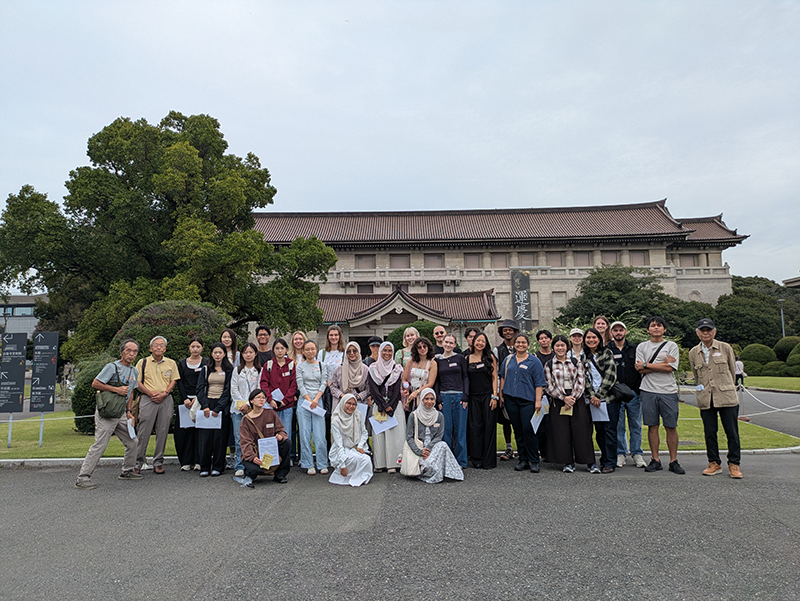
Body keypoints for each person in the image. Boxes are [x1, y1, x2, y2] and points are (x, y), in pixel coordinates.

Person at [75, 340, 143, 489]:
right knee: (100, 445)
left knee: (133, 441)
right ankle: (83, 477)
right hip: (107, 413)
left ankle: (128, 471)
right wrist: (116, 389)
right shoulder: (112, 367)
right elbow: (96, 383)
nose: (132, 354)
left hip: (121, 413)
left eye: (135, 352)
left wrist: (129, 411)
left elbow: (131, 392)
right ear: (122, 352)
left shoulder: (134, 371)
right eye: (128, 351)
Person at [689, 318, 742, 478]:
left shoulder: (725, 348)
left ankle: (734, 464)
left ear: (714, 332)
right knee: (710, 432)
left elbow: (732, 372)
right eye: (702, 330)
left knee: (731, 432)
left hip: (726, 395)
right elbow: (696, 375)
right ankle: (713, 462)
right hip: (706, 397)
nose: (705, 333)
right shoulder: (693, 352)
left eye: (708, 330)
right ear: (698, 333)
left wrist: (726, 386)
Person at [636, 317, 685, 475]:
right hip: (648, 390)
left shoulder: (671, 345)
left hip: (668, 391)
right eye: (653, 326)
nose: (656, 328)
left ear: (664, 329)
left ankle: (673, 460)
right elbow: (639, 369)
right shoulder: (642, 346)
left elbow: (671, 368)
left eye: (659, 326)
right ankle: (655, 459)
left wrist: (647, 364)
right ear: (648, 330)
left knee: (671, 426)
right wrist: (661, 364)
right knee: (652, 426)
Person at [544, 335, 594, 473]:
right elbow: (549, 385)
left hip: (576, 399)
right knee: (562, 432)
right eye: (557, 345)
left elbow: (581, 380)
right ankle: (567, 462)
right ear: (553, 347)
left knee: (581, 431)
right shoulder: (549, 364)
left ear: (567, 347)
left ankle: (589, 462)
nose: (560, 348)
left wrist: (572, 397)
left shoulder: (575, 361)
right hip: (559, 401)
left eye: (563, 345)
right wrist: (563, 398)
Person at [499, 333, 546, 473]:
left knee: (528, 429)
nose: (520, 345)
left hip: (528, 401)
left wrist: (538, 401)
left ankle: (533, 460)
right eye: (518, 342)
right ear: (514, 344)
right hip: (510, 399)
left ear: (528, 344)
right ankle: (522, 459)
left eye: (523, 342)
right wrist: (501, 393)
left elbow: (539, 383)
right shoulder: (508, 360)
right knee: (518, 430)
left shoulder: (534, 361)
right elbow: (503, 376)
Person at [134, 336, 179, 475]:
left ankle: (158, 462)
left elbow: (173, 380)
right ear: (150, 348)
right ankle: (138, 462)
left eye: (161, 345)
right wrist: (150, 393)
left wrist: (165, 393)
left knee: (163, 431)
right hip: (148, 398)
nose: (158, 347)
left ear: (165, 348)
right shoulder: (143, 362)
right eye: (155, 345)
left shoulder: (171, 363)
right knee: (143, 431)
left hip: (165, 399)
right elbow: (137, 382)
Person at [404, 388, 464, 484]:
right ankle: (428, 469)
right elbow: (409, 437)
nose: (429, 401)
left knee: (443, 445)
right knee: (428, 464)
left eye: (432, 399)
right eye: (426, 398)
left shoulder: (439, 416)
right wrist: (420, 452)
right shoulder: (413, 415)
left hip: (432, 449)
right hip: (418, 449)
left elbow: (439, 436)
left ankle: (448, 472)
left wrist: (428, 450)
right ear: (422, 399)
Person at [608, 321, 646, 468]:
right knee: (619, 426)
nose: (618, 333)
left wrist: (637, 389)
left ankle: (637, 454)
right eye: (615, 330)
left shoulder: (635, 349)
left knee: (635, 424)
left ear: (625, 332)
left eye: (621, 330)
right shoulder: (607, 350)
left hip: (633, 393)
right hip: (615, 394)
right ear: (611, 333)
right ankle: (621, 453)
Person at [236, 389, 291, 487]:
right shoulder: (246, 420)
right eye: (258, 397)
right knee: (254, 470)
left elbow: (281, 430)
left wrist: (280, 436)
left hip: (271, 451)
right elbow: (245, 442)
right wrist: (253, 457)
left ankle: (280, 475)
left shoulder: (271, 413)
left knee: (287, 442)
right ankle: (249, 473)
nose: (261, 400)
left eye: (263, 398)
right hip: (255, 453)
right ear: (251, 401)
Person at [582, 327, 619, 474]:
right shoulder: (583, 356)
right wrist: (592, 396)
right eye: (588, 338)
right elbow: (584, 378)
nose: (591, 340)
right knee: (599, 431)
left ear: (599, 339)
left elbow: (610, 375)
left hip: (608, 399)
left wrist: (599, 395)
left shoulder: (607, 353)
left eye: (594, 337)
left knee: (610, 431)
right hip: (593, 402)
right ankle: (603, 459)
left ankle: (610, 461)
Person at [195, 343, 234, 476]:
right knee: (205, 438)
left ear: (224, 354)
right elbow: (200, 388)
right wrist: (205, 406)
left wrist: (218, 408)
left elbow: (228, 390)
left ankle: (218, 466)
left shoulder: (229, 370)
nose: (217, 355)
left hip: (222, 406)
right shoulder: (206, 369)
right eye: (215, 352)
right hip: (207, 404)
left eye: (220, 352)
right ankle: (204, 467)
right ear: (211, 354)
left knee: (220, 438)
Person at [367, 341, 405, 473]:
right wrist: (383, 406)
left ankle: (393, 464)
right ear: (380, 351)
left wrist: (391, 407)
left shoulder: (397, 368)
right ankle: (380, 463)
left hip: (394, 406)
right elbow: (373, 389)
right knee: (380, 435)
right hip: (379, 406)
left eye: (390, 351)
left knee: (394, 435)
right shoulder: (373, 368)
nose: (387, 353)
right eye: (385, 350)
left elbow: (397, 390)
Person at [434, 334, 469, 468]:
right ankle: (447, 461)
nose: (448, 345)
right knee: (446, 431)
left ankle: (461, 462)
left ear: (455, 345)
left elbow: (465, 377)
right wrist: (438, 398)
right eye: (446, 342)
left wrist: (466, 395)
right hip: (444, 397)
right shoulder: (438, 360)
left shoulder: (459, 358)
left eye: (451, 343)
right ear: (442, 343)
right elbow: (436, 380)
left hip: (459, 396)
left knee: (460, 431)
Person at [260, 338, 298, 463]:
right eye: (277, 348)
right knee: (270, 434)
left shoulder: (291, 365)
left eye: (282, 348)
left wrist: (284, 401)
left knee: (285, 435)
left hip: (286, 406)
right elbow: (264, 383)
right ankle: (272, 461)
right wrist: (270, 400)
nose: (280, 351)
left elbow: (293, 386)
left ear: (286, 349)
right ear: (273, 350)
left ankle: (286, 460)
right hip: (271, 406)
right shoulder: (268, 365)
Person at [296, 340, 330, 475]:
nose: (310, 352)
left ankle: (322, 463)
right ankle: (308, 463)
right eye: (307, 349)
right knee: (304, 435)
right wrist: (309, 399)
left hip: (318, 402)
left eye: (312, 349)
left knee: (320, 435)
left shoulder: (322, 365)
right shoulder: (300, 367)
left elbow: (323, 383)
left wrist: (316, 399)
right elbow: (300, 384)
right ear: (303, 351)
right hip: (303, 402)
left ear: (316, 350)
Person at [466, 332, 498, 469]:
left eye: (483, 341)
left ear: (486, 344)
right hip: (473, 398)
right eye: (478, 340)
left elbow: (495, 377)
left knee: (489, 426)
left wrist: (494, 396)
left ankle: (489, 460)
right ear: (473, 342)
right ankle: (476, 458)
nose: (480, 343)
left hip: (488, 397)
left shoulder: (490, 357)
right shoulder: (467, 358)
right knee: (475, 428)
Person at [176, 337, 208, 472]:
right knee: (185, 432)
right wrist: (185, 398)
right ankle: (186, 461)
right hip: (185, 403)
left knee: (199, 432)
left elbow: (207, 381)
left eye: (198, 346)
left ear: (202, 348)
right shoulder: (182, 363)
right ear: (189, 347)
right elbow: (179, 382)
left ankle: (199, 461)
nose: (195, 349)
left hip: (200, 401)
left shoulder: (206, 362)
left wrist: (197, 397)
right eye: (193, 346)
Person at [230, 342, 261, 478]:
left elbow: (259, 389)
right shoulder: (236, 370)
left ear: (255, 354)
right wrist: (242, 405)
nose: (248, 354)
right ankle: (239, 465)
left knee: (254, 439)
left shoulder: (259, 370)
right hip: (238, 410)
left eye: (251, 352)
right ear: (242, 354)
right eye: (245, 352)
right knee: (239, 438)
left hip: (253, 409)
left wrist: (249, 404)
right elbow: (233, 389)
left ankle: (253, 464)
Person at [328, 393, 373, 487]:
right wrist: (342, 465)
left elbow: (364, 432)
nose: (351, 406)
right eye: (349, 403)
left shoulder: (357, 415)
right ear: (343, 403)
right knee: (353, 459)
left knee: (366, 460)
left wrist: (360, 446)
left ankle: (358, 478)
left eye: (354, 404)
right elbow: (338, 444)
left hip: (354, 447)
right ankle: (344, 476)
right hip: (341, 449)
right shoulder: (336, 419)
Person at [493, 318, 519, 461]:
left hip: (520, 388)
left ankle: (521, 447)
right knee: (506, 420)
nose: (508, 332)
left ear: (515, 332)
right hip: (505, 388)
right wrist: (498, 391)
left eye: (510, 330)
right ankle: (509, 447)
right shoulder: (498, 350)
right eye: (505, 330)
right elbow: (496, 372)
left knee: (520, 420)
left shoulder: (521, 346)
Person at [330, 341, 369, 412]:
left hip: (358, 404)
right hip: (341, 404)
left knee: (357, 422)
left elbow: (368, 388)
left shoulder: (365, 369)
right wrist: (343, 396)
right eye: (348, 351)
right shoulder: (339, 369)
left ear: (359, 352)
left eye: (354, 351)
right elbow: (332, 387)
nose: (351, 353)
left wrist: (358, 397)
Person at [401, 336, 438, 412]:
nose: (422, 349)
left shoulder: (432, 363)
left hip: (424, 395)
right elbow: (404, 379)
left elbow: (430, 383)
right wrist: (406, 389)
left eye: (424, 346)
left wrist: (417, 392)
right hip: (410, 395)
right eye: (419, 347)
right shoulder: (410, 361)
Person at [534, 329, 554, 459]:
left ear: (550, 340)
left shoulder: (556, 355)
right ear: (538, 341)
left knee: (554, 424)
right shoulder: (534, 357)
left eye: (546, 338)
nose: (544, 340)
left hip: (556, 395)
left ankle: (554, 451)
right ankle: (543, 452)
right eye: (541, 338)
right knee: (541, 425)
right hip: (541, 395)